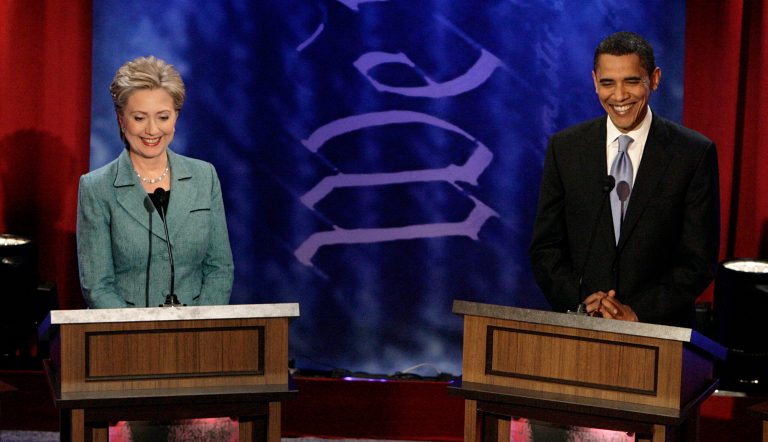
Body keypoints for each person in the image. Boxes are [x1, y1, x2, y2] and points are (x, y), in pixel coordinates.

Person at [529, 32, 719, 327]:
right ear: (595, 81)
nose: (619, 96)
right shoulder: (565, 149)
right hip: (581, 329)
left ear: (654, 79)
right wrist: (581, 303)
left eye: (631, 81)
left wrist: (637, 313)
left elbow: (698, 261)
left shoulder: (692, 154)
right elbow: (546, 248)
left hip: (658, 331)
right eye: (608, 83)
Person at [77, 56, 234, 308]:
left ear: (175, 117)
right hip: (125, 331)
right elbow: (98, 287)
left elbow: (220, 268)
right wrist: (138, 329)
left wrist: (199, 324)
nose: (152, 130)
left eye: (163, 117)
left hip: (198, 329)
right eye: (139, 118)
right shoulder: (97, 188)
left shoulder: (204, 177)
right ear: (121, 119)